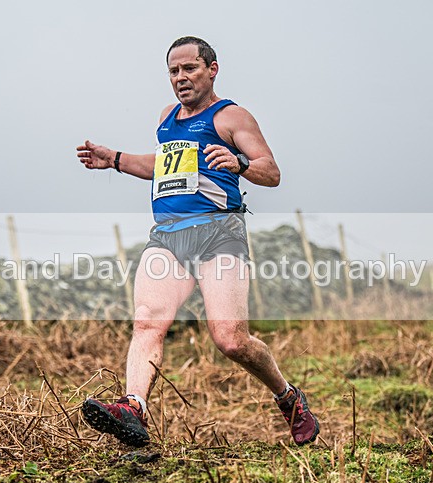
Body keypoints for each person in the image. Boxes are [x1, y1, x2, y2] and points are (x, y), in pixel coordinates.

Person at [76, 36, 319, 447]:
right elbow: (161, 166)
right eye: (173, 71)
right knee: (148, 320)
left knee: (231, 339)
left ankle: (289, 398)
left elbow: (271, 171)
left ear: (212, 69)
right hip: (169, 237)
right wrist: (114, 159)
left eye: (189, 68)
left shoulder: (231, 117)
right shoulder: (167, 117)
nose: (180, 78)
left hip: (218, 234)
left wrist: (240, 163)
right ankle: (133, 408)